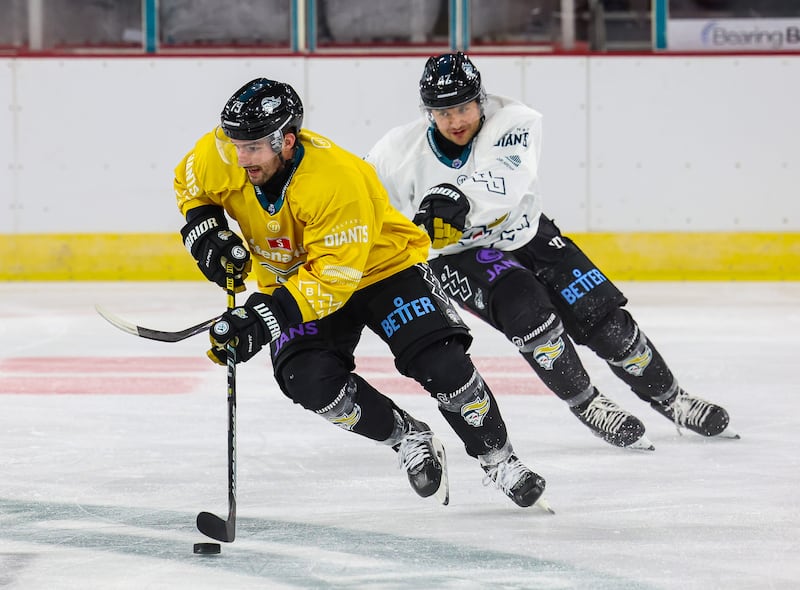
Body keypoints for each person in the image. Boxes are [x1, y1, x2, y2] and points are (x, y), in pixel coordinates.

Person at [173, 77, 549, 509]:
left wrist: (262, 318)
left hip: (382, 269)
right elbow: (189, 183)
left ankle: (499, 460)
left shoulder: (337, 181)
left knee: (441, 362)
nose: (241, 157)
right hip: (296, 282)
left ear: (287, 141)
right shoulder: (223, 152)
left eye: (253, 147)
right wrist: (205, 231)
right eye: (235, 144)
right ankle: (408, 437)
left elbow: (333, 281)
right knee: (307, 381)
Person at [365, 52, 738, 450]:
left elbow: (506, 178)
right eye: (443, 112)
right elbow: (362, 199)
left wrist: (455, 198)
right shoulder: (396, 151)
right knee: (531, 318)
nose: (455, 121)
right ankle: (589, 405)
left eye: (463, 107)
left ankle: (673, 399)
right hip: (458, 255)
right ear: (428, 113)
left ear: (481, 99)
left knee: (605, 319)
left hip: (528, 234)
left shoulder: (515, 120)